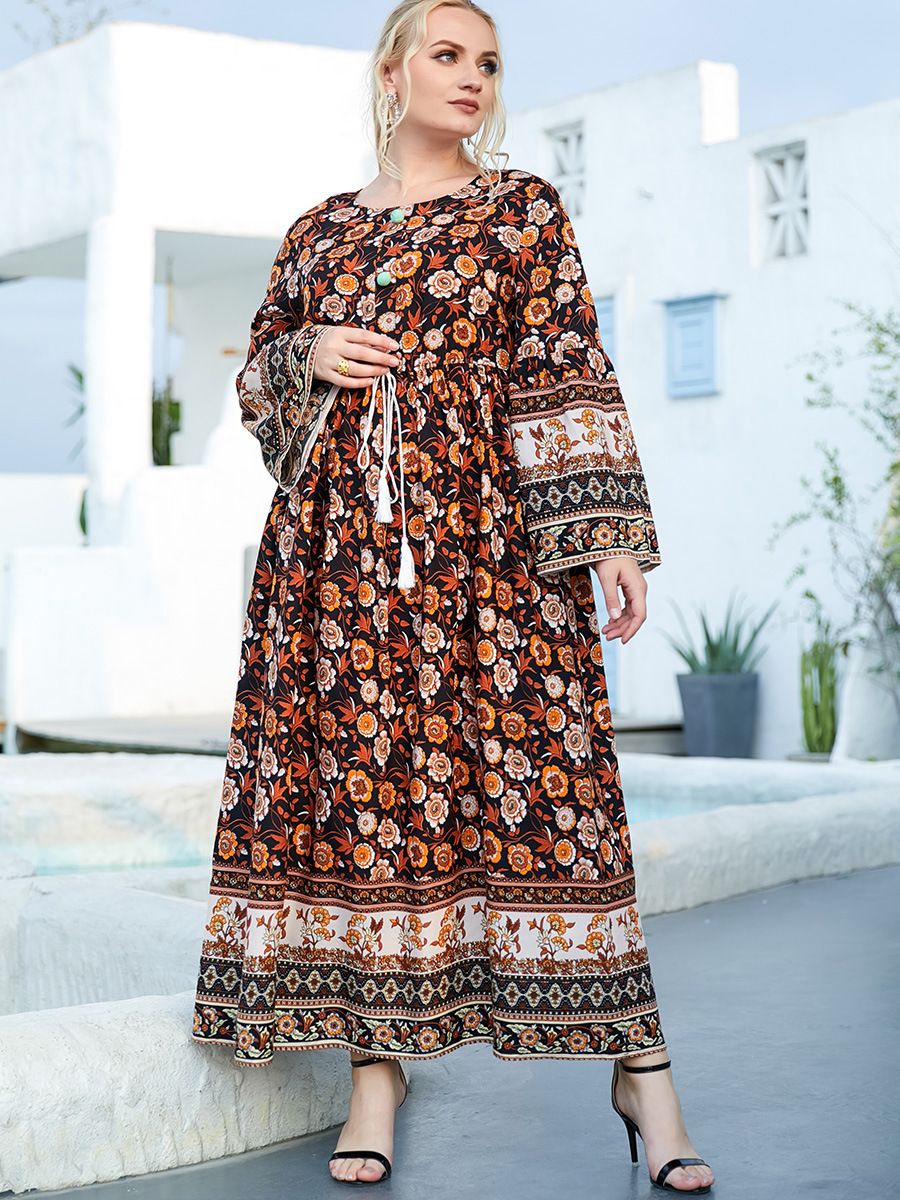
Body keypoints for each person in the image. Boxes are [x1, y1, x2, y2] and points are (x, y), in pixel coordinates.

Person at [191, 0, 715, 1192]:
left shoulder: (521, 209)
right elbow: (259, 386)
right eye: (446, 55)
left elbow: (564, 360)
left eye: (487, 61)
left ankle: (643, 1072)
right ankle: (377, 1076)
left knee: (561, 795)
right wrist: (308, 355)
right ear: (392, 72)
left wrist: (606, 536)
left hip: (491, 553)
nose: (472, 76)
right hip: (338, 563)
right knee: (368, 801)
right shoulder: (318, 231)